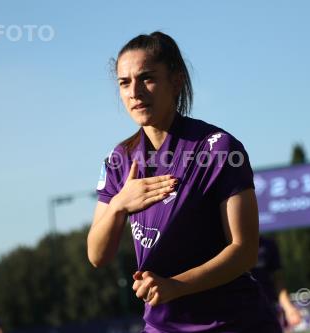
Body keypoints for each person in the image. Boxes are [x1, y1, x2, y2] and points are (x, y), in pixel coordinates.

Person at [87, 31, 281, 332]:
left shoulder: (219, 148)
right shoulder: (119, 159)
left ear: (176, 81)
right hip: (162, 325)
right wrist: (118, 206)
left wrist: (176, 285)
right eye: (124, 83)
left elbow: (244, 250)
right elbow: (97, 256)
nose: (134, 92)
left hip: (233, 323)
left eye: (147, 78)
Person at [251, 235, 302, 332]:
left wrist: (289, 308)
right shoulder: (227, 244)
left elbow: (279, 282)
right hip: (241, 310)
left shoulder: (268, 245)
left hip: (268, 309)